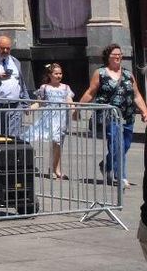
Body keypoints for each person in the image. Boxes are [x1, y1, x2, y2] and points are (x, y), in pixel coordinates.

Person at [79, 44, 147, 187]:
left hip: (127, 115)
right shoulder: (101, 73)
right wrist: (77, 109)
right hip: (108, 116)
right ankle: (120, 176)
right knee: (117, 143)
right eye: (114, 55)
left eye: (120, 54)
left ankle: (107, 164)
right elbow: (91, 92)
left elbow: (136, 95)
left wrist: (144, 111)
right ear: (107, 57)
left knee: (126, 144)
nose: (118, 57)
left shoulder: (128, 74)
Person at [22, 63, 77, 180]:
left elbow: (69, 100)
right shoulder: (45, 87)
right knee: (55, 141)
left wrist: (73, 111)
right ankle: (54, 169)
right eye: (56, 73)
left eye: (60, 73)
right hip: (49, 118)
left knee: (58, 143)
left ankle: (54, 168)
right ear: (50, 75)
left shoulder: (65, 87)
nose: (58, 76)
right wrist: (30, 108)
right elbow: (40, 102)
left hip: (62, 118)